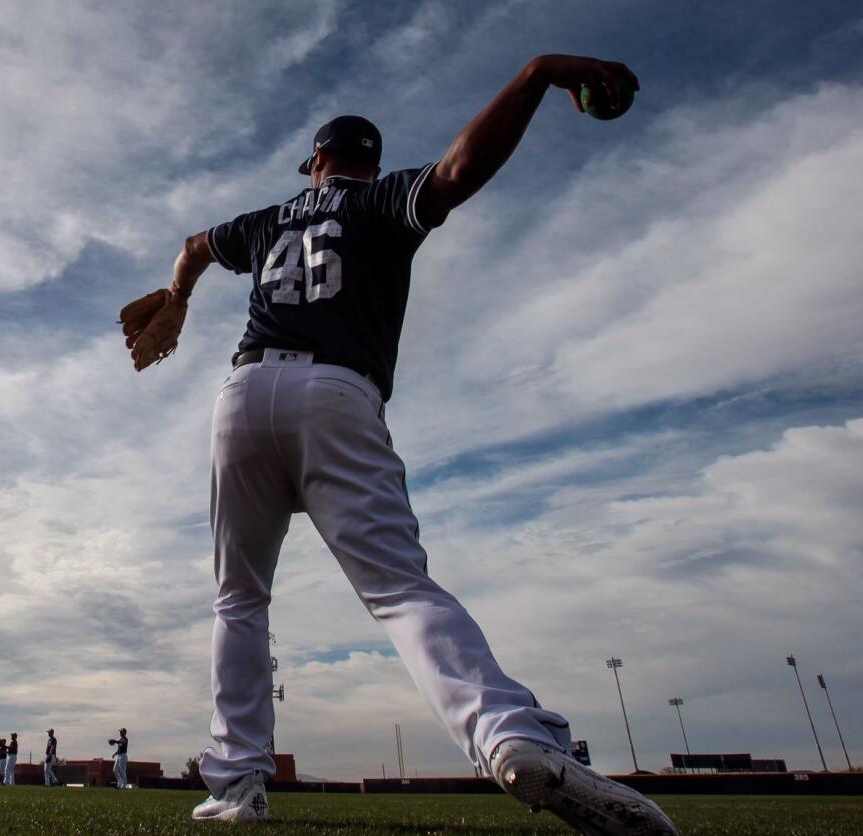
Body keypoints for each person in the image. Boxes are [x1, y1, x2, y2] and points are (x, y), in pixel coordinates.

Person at [126, 54, 677, 835]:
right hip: (339, 395)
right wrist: (535, 75)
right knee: (399, 590)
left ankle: (237, 785)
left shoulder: (269, 218)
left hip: (243, 396)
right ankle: (508, 734)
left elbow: (190, 244)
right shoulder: (384, 199)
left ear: (316, 161)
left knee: (239, 599)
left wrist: (179, 293)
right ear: (370, 161)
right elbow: (455, 173)